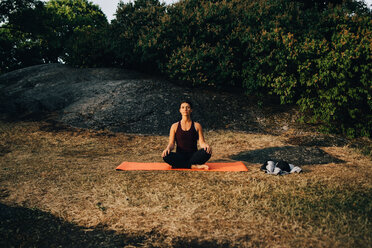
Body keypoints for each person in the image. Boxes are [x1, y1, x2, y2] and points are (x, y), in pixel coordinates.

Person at [162, 101, 212, 170]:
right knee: (166, 156)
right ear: (180, 110)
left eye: (187, 107)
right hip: (180, 156)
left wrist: (206, 146)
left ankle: (181, 164)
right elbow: (171, 143)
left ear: (191, 110)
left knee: (207, 151)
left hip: (194, 156)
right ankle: (193, 166)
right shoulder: (174, 126)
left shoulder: (197, 125)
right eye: (183, 107)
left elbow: (201, 142)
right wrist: (167, 148)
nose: (185, 109)